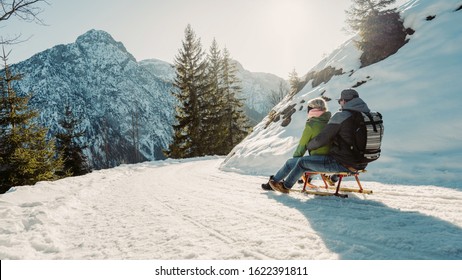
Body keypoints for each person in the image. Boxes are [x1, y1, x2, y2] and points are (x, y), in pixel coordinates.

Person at [269, 88, 370, 193]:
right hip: (361, 163)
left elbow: (321, 139)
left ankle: (285, 186)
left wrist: (309, 146)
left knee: (302, 162)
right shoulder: (366, 117)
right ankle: (333, 178)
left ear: (344, 101)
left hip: (342, 163)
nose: (340, 103)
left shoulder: (341, 117)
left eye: (340, 101)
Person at [262, 97, 331, 190]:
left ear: (312, 110)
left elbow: (302, 146)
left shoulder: (312, 124)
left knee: (290, 163)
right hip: (331, 159)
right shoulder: (330, 122)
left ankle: (273, 182)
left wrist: (295, 162)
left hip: (319, 161)